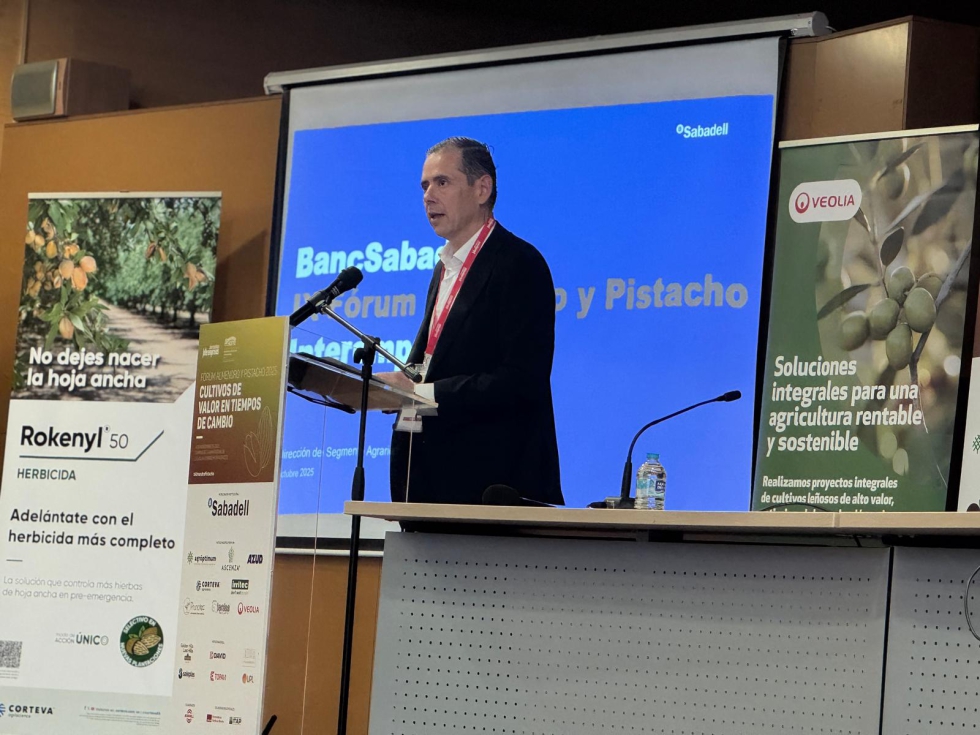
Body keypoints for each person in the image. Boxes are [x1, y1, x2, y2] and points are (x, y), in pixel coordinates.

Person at [378, 137, 562, 506]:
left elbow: (522, 379)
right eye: (425, 185)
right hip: (427, 482)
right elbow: (436, 364)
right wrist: (399, 386)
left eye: (442, 182)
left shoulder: (519, 263)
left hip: (492, 489)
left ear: (482, 189)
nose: (428, 196)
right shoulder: (444, 268)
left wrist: (420, 393)